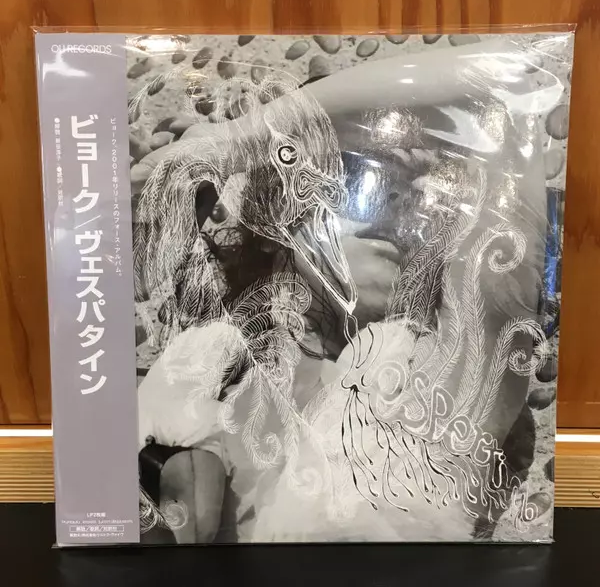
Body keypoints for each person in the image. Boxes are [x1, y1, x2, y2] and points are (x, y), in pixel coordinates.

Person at [133, 39, 557, 543]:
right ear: (273, 223)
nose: (394, 199)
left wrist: (230, 142)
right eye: (353, 175)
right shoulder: (204, 371)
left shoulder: (447, 373)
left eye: (411, 187)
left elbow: (501, 90)